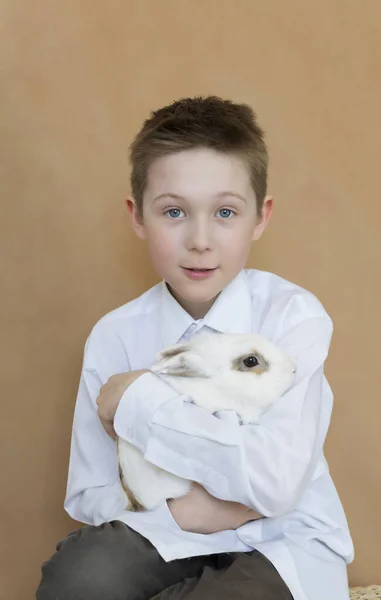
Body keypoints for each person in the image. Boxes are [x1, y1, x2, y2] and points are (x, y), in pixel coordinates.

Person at [36, 96, 354, 600]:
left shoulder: (293, 315)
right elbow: (89, 493)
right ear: (137, 215)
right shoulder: (115, 335)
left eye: (225, 211)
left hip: (282, 541)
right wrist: (191, 512)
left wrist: (140, 402)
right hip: (163, 533)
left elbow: (275, 486)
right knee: (77, 582)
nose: (200, 240)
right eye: (175, 212)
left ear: (261, 217)